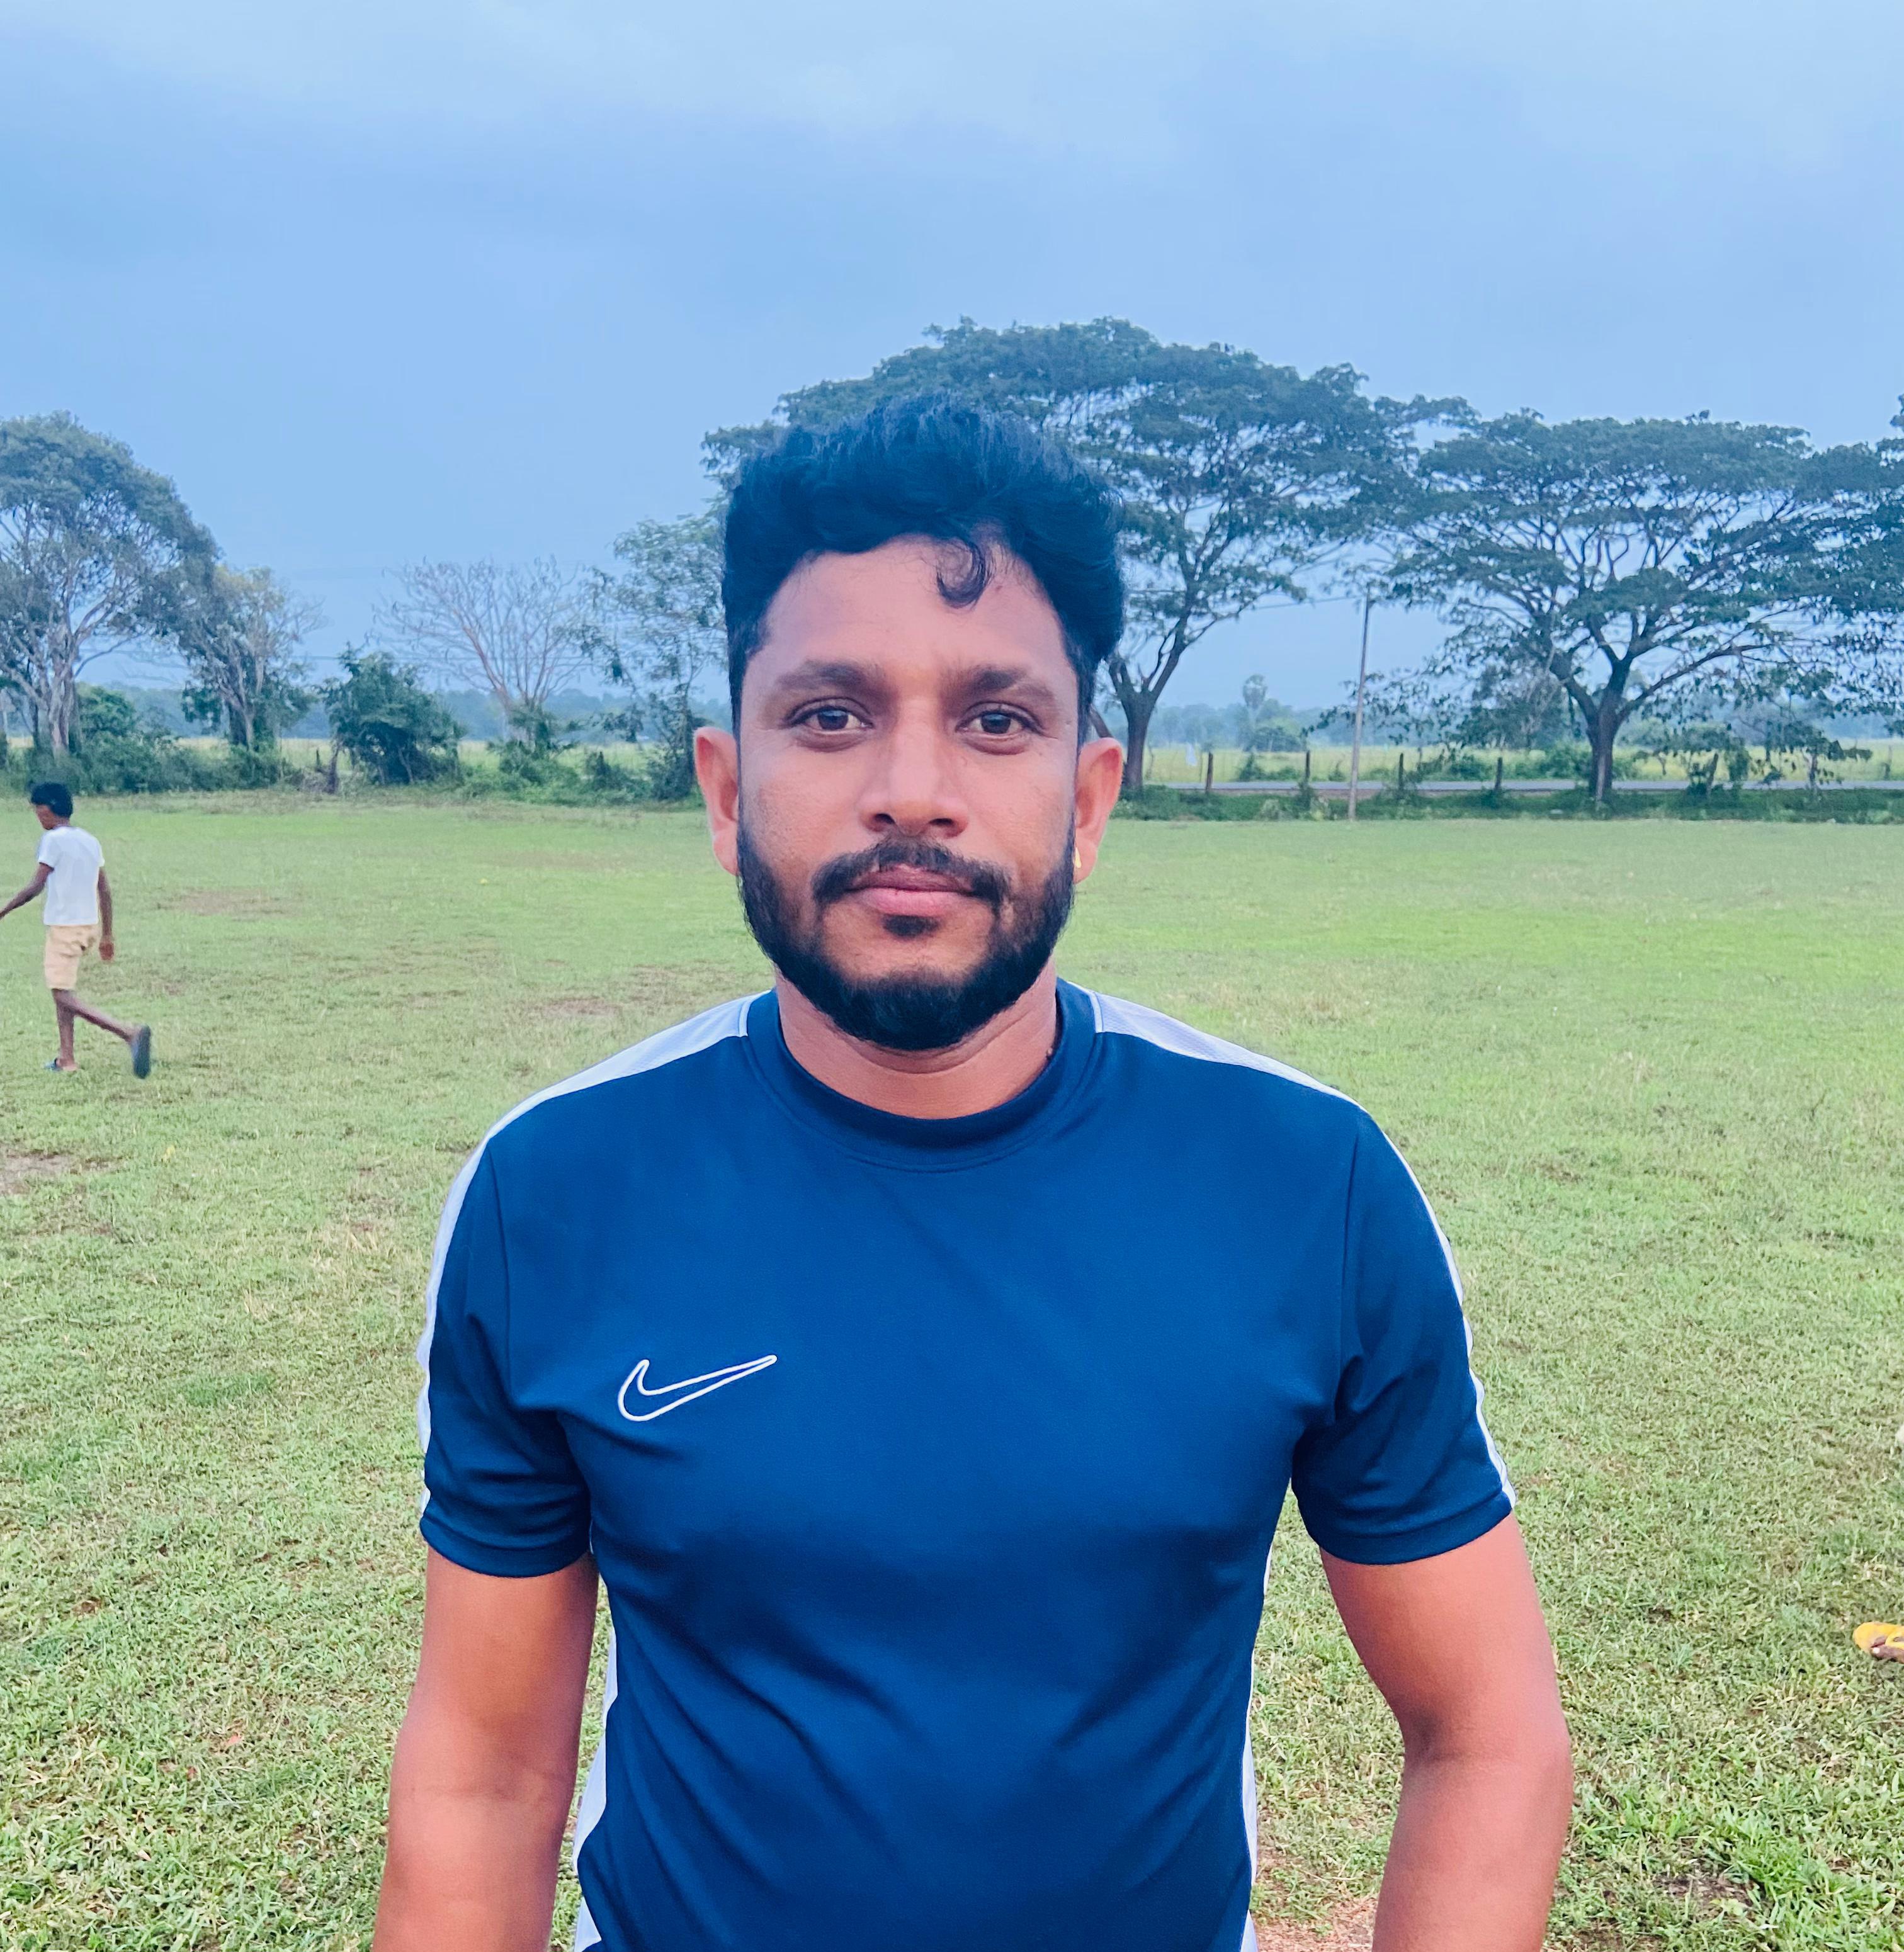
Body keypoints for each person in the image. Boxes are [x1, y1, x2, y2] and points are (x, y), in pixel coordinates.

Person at [375, 398, 1572, 1952]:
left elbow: (1487, 1734)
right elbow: (483, 1772)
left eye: (997, 719)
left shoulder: (1303, 1186)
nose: (913, 791)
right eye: (830, 716)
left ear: (1087, 795)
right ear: (728, 789)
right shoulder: (559, 1191)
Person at [0, 782, 151, 1076]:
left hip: (65, 928)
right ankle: (66, 1059)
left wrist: (3, 911)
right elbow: (105, 890)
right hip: (87, 926)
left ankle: (128, 1033)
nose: (37, 816)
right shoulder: (89, 841)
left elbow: (35, 886)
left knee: (62, 996)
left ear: (50, 808)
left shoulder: (53, 840)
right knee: (63, 988)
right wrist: (108, 934)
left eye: (38, 810)